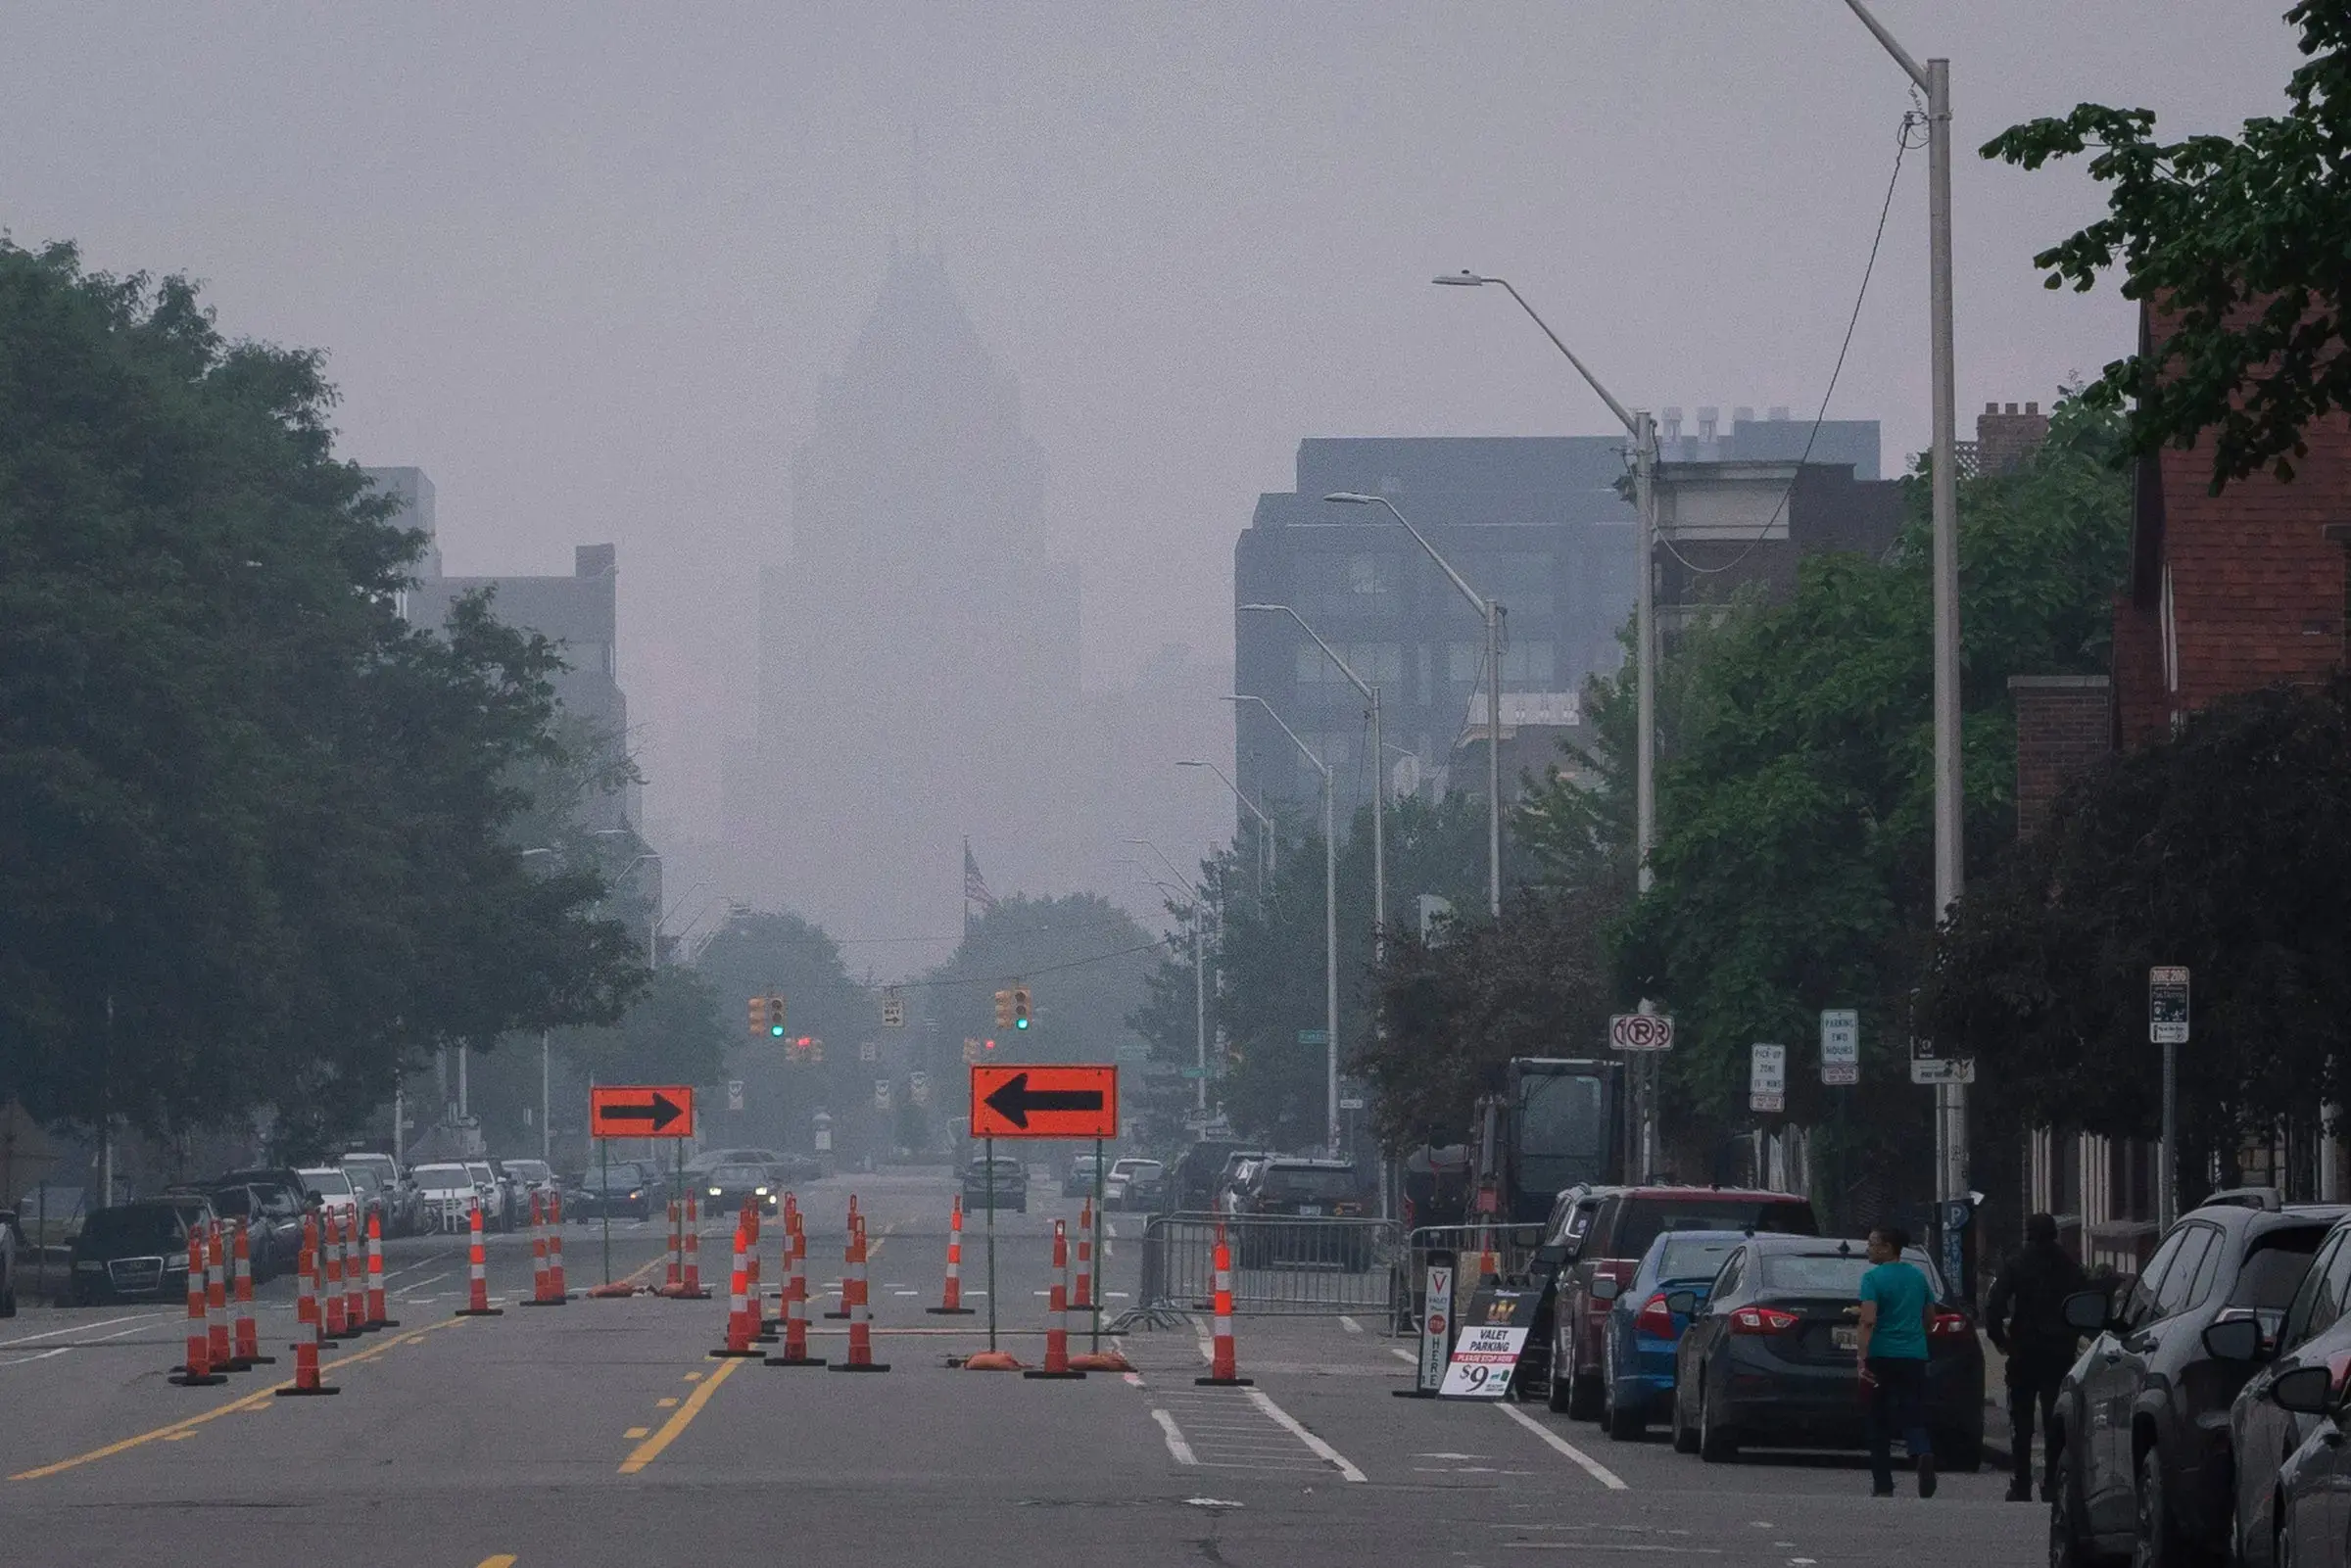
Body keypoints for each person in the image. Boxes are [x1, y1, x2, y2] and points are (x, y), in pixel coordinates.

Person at [1984, 1212, 2086, 1502]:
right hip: (2059, 1351)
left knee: (2022, 1417)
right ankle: (2052, 1481)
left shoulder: (2016, 1264)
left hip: (2024, 1350)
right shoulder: (2069, 1267)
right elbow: (2084, 1304)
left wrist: (2000, 1340)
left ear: (2028, 1233)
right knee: (2055, 1418)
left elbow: (1994, 1306)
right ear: (2055, 1234)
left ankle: (2022, 1481)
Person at [1856, 1223, 1937, 1498]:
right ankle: (1922, 1451)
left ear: (1887, 1248)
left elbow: (1868, 1320)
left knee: (1878, 1419)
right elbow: (1930, 1318)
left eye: (1871, 1243)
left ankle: (1883, 1484)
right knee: (1913, 1410)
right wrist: (1916, 1334)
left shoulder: (1872, 1279)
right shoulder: (1918, 1277)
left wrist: (1861, 1358)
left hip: (1881, 1355)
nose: (1868, 1249)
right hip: (1914, 1355)